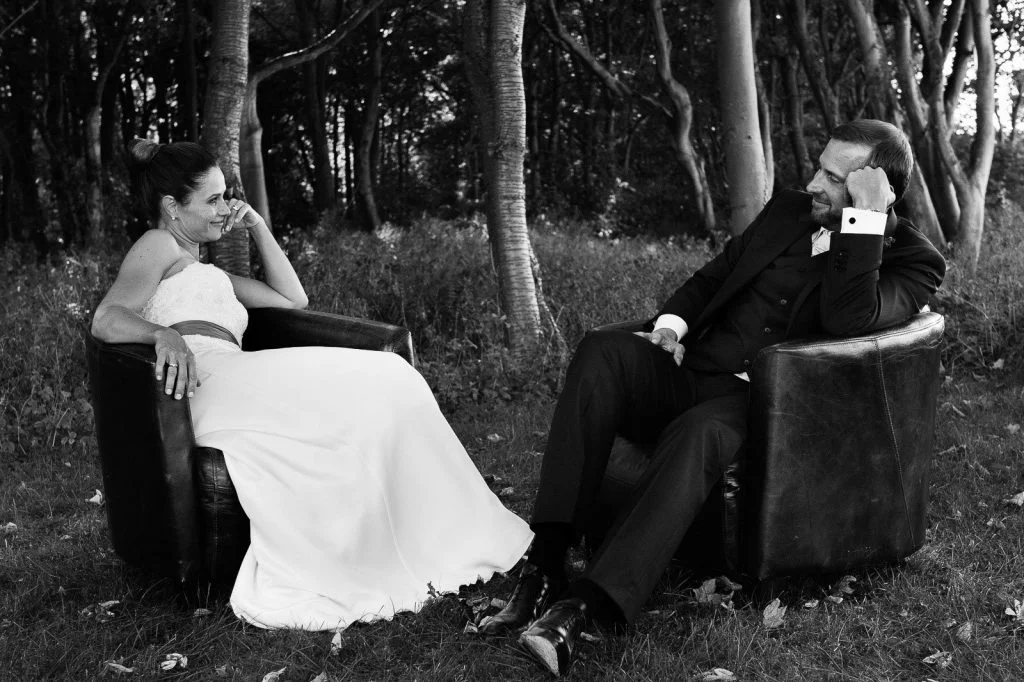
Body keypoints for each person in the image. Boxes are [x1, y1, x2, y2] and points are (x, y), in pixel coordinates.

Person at [479, 119, 946, 676]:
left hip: (772, 406)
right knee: (603, 351)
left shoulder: (913, 261)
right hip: (697, 366)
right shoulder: (788, 211)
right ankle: (547, 562)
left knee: (701, 432)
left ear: (876, 188)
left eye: (834, 177)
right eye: (818, 167)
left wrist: (863, 222)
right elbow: (714, 277)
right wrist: (672, 326)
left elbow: (849, 320)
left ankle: (585, 606)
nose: (815, 184)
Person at [91, 139, 533, 631]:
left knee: (390, 376)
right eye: (212, 200)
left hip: (236, 374)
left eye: (226, 196)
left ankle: (430, 530)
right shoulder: (158, 246)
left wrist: (256, 224)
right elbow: (107, 318)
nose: (225, 208)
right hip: (206, 382)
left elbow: (292, 298)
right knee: (383, 378)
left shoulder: (209, 272)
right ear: (172, 207)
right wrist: (163, 335)